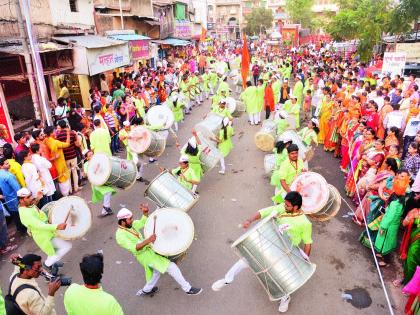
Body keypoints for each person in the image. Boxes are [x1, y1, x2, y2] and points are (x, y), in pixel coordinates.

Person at [211, 191, 312, 313]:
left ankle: (285, 298)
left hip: (285, 251)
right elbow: (263, 212)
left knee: (279, 277)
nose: (284, 206)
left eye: (287, 205)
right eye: (285, 204)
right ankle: (226, 280)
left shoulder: (305, 223)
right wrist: (249, 220)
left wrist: (305, 260)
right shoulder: (282, 208)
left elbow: (307, 242)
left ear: (296, 207)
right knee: (245, 260)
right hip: (269, 242)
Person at [115, 204, 202, 296]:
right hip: (145, 256)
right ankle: (187, 289)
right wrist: (148, 240)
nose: (132, 220)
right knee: (171, 267)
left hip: (149, 251)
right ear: (123, 221)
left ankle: (146, 290)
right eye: (130, 219)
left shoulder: (130, 225)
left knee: (156, 273)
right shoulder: (120, 236)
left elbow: (142, 223)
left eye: (131, 218)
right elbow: (135, 248)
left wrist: (145, 213)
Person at [17, 188, 71, 272]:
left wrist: (38, 198)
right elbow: (40, 225)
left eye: (31, 196)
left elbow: (33, 206)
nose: (31, 198)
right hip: (44, 236)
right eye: (28, 197)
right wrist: (57, 226)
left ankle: (52, 269)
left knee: (53, 252)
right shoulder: (25, 213)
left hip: (48, 232)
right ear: (21, 200)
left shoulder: (27, 205)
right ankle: (47, 264)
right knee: (66, 247)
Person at [83, 150, 115, 217]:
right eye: (90, 155)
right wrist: (95, 169)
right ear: (87, 158)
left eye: (92, 154)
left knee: (108, 192)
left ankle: (104, 211)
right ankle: (106, 207)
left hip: (102, 181)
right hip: (95, 184)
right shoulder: (86, 165)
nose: (92, 156)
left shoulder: (98, 161)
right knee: (108, 191)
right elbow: (87, 175)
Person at [44, 125, 71, 197]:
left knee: (59, 179)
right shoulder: (55, 142)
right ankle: (65, 195)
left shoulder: (46, 141)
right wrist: (68, 133)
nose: (55, 132)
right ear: (51, 133)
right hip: (59, 162)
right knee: (63, 178)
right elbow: (67, 144)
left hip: (52, 164)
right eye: (54, 131)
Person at [56, 120, 80, 194]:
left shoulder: (58, 136)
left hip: (65, 157)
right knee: (74, 171)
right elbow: (77, 144)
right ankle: (76, 187)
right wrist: (76, 135)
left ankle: (69, 190)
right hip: (73, 155)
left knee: (68, 173)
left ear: (60, 126)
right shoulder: (72, 133)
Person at [0, 157, 24, 233]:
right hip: (14, 198)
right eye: (6, 164)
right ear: (1, 166)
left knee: (15, 216)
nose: (9, 164)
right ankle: (23, 229)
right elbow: (17, 189)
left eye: (8, 162)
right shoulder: (8, 176)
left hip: (7, 199)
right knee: (20, 216)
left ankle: (20, 229)